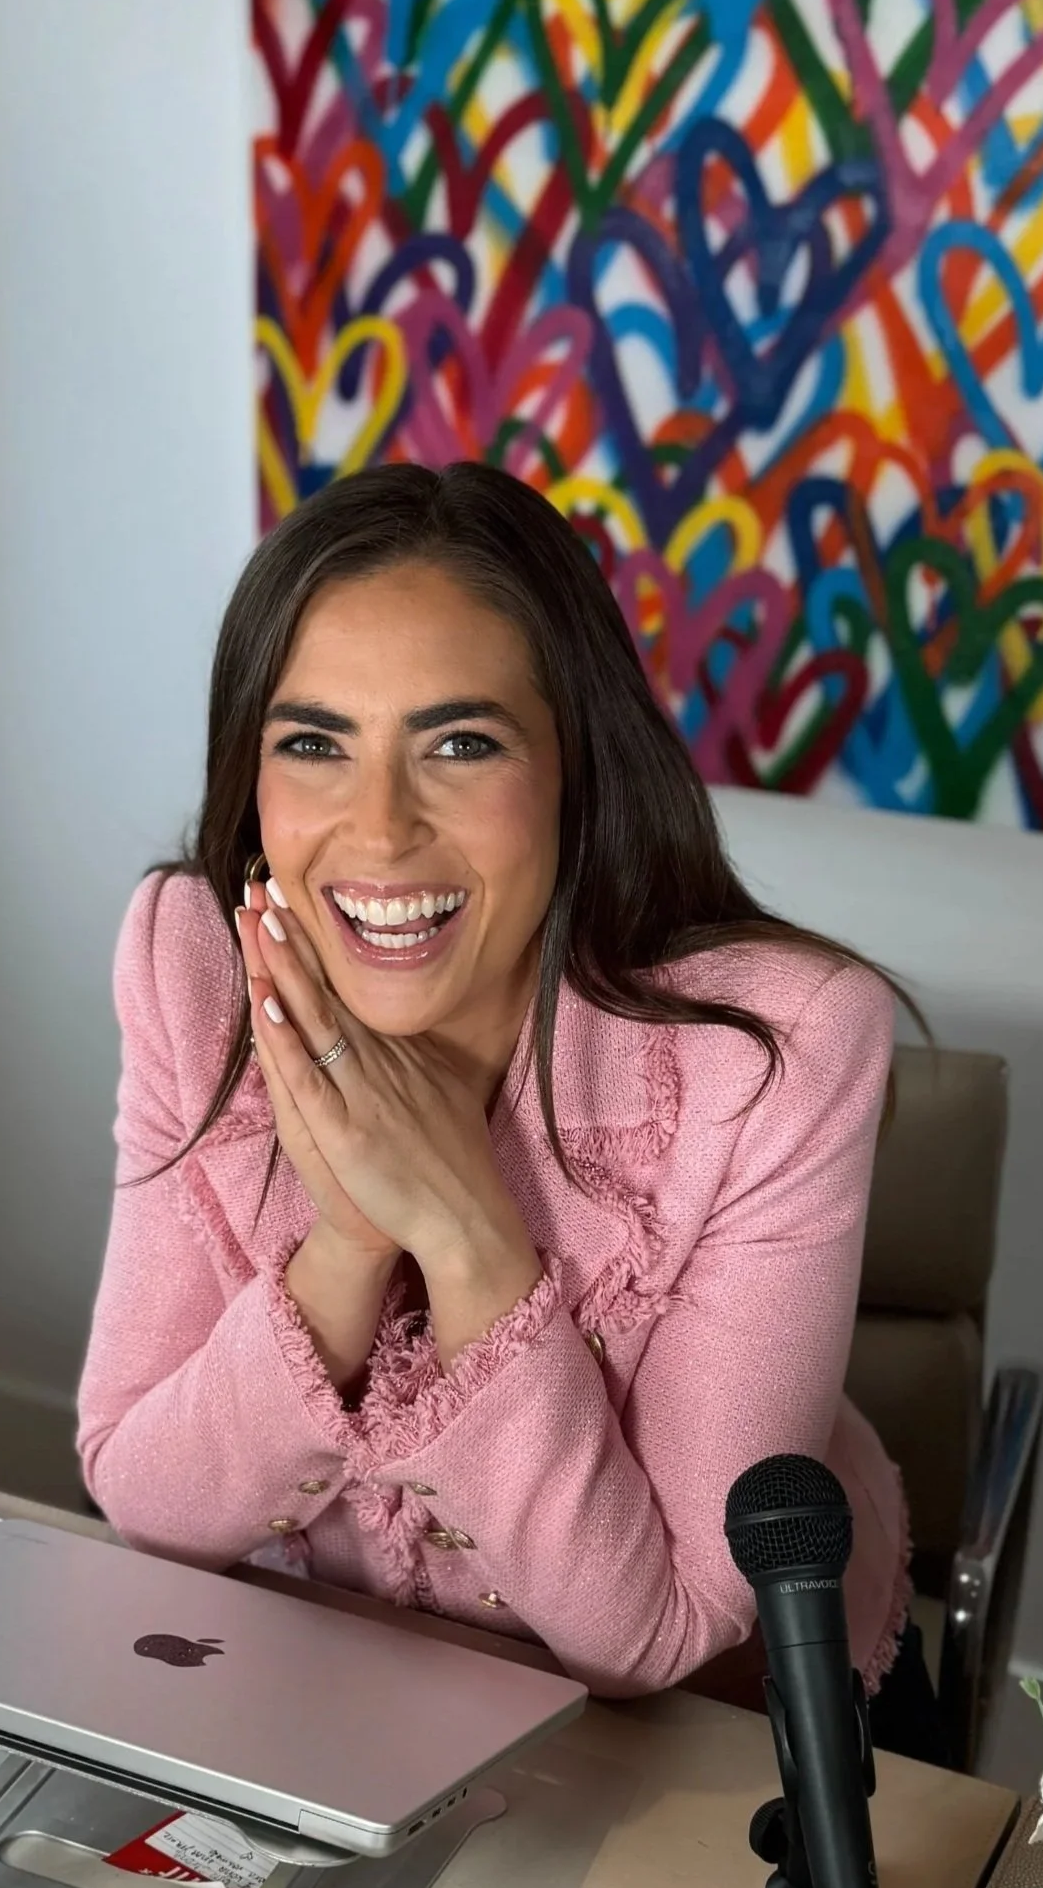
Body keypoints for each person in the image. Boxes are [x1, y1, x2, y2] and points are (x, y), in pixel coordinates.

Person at [78, 461, 931, 1732]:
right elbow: (138, 1492)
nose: (379, 831)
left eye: (460, 744)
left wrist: (466, 1234)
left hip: (709, 1738)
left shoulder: (780, 1049)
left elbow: (656, 1632)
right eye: (313, 744)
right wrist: (349, 1240)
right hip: (337, 1702)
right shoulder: (191, 964)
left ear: (577, 766)